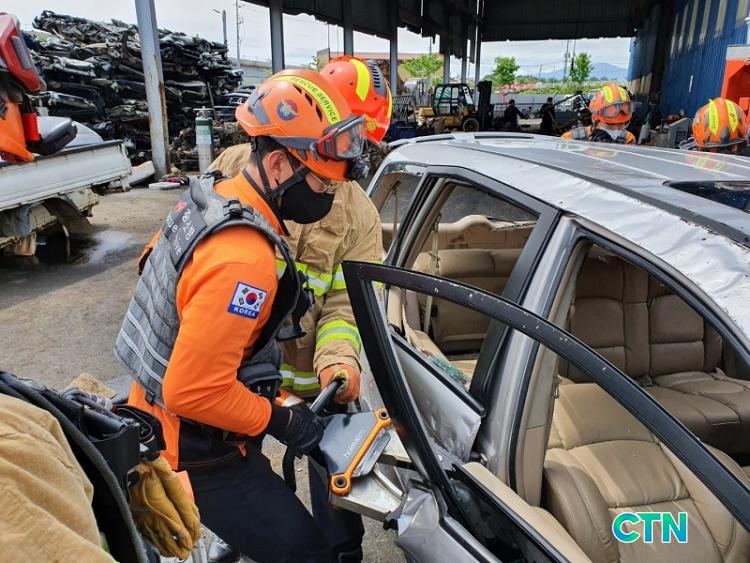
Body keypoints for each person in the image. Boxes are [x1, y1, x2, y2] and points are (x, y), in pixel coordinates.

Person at [116, 68, 368, 563]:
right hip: (195, 445)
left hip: (170, 416)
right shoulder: (244, 259)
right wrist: (280, 420)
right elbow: (193, 390)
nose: (328, 195)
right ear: (278, 164)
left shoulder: (213, 197)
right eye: (322, 181)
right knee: (307, 554)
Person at [207, 57, 391, 563]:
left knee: (331, 463)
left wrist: (339, 361)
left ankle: (342, 550)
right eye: (338, 142)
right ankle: (237, 534)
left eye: (357, 146)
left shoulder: (359, 215)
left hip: (313, 380)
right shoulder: (238, 168)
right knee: (236, 471)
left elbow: (348, 303)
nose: (344, 162)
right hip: (237, 377)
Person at [562, 82, 636, 144]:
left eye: (621, 124)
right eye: (611, 124)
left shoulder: (628, 139)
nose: (616, 129)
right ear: (594, 119)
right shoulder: (570, 139)